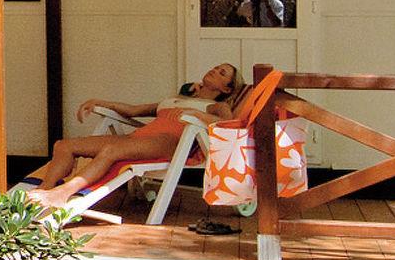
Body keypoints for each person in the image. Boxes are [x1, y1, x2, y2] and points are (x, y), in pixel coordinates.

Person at [26, 63, 249, 210]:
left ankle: (63, 193)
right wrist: (100, 103)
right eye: (216, 67)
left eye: (222, 73)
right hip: (139, 138)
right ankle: (45, 188)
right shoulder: (176, 99)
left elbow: (227, 125)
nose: (215, 70)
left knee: (111, 151)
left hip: (170, 143)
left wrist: (199, 114)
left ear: (227, 89)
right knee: (64, 145)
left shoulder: (216, 106)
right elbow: (133, 111)